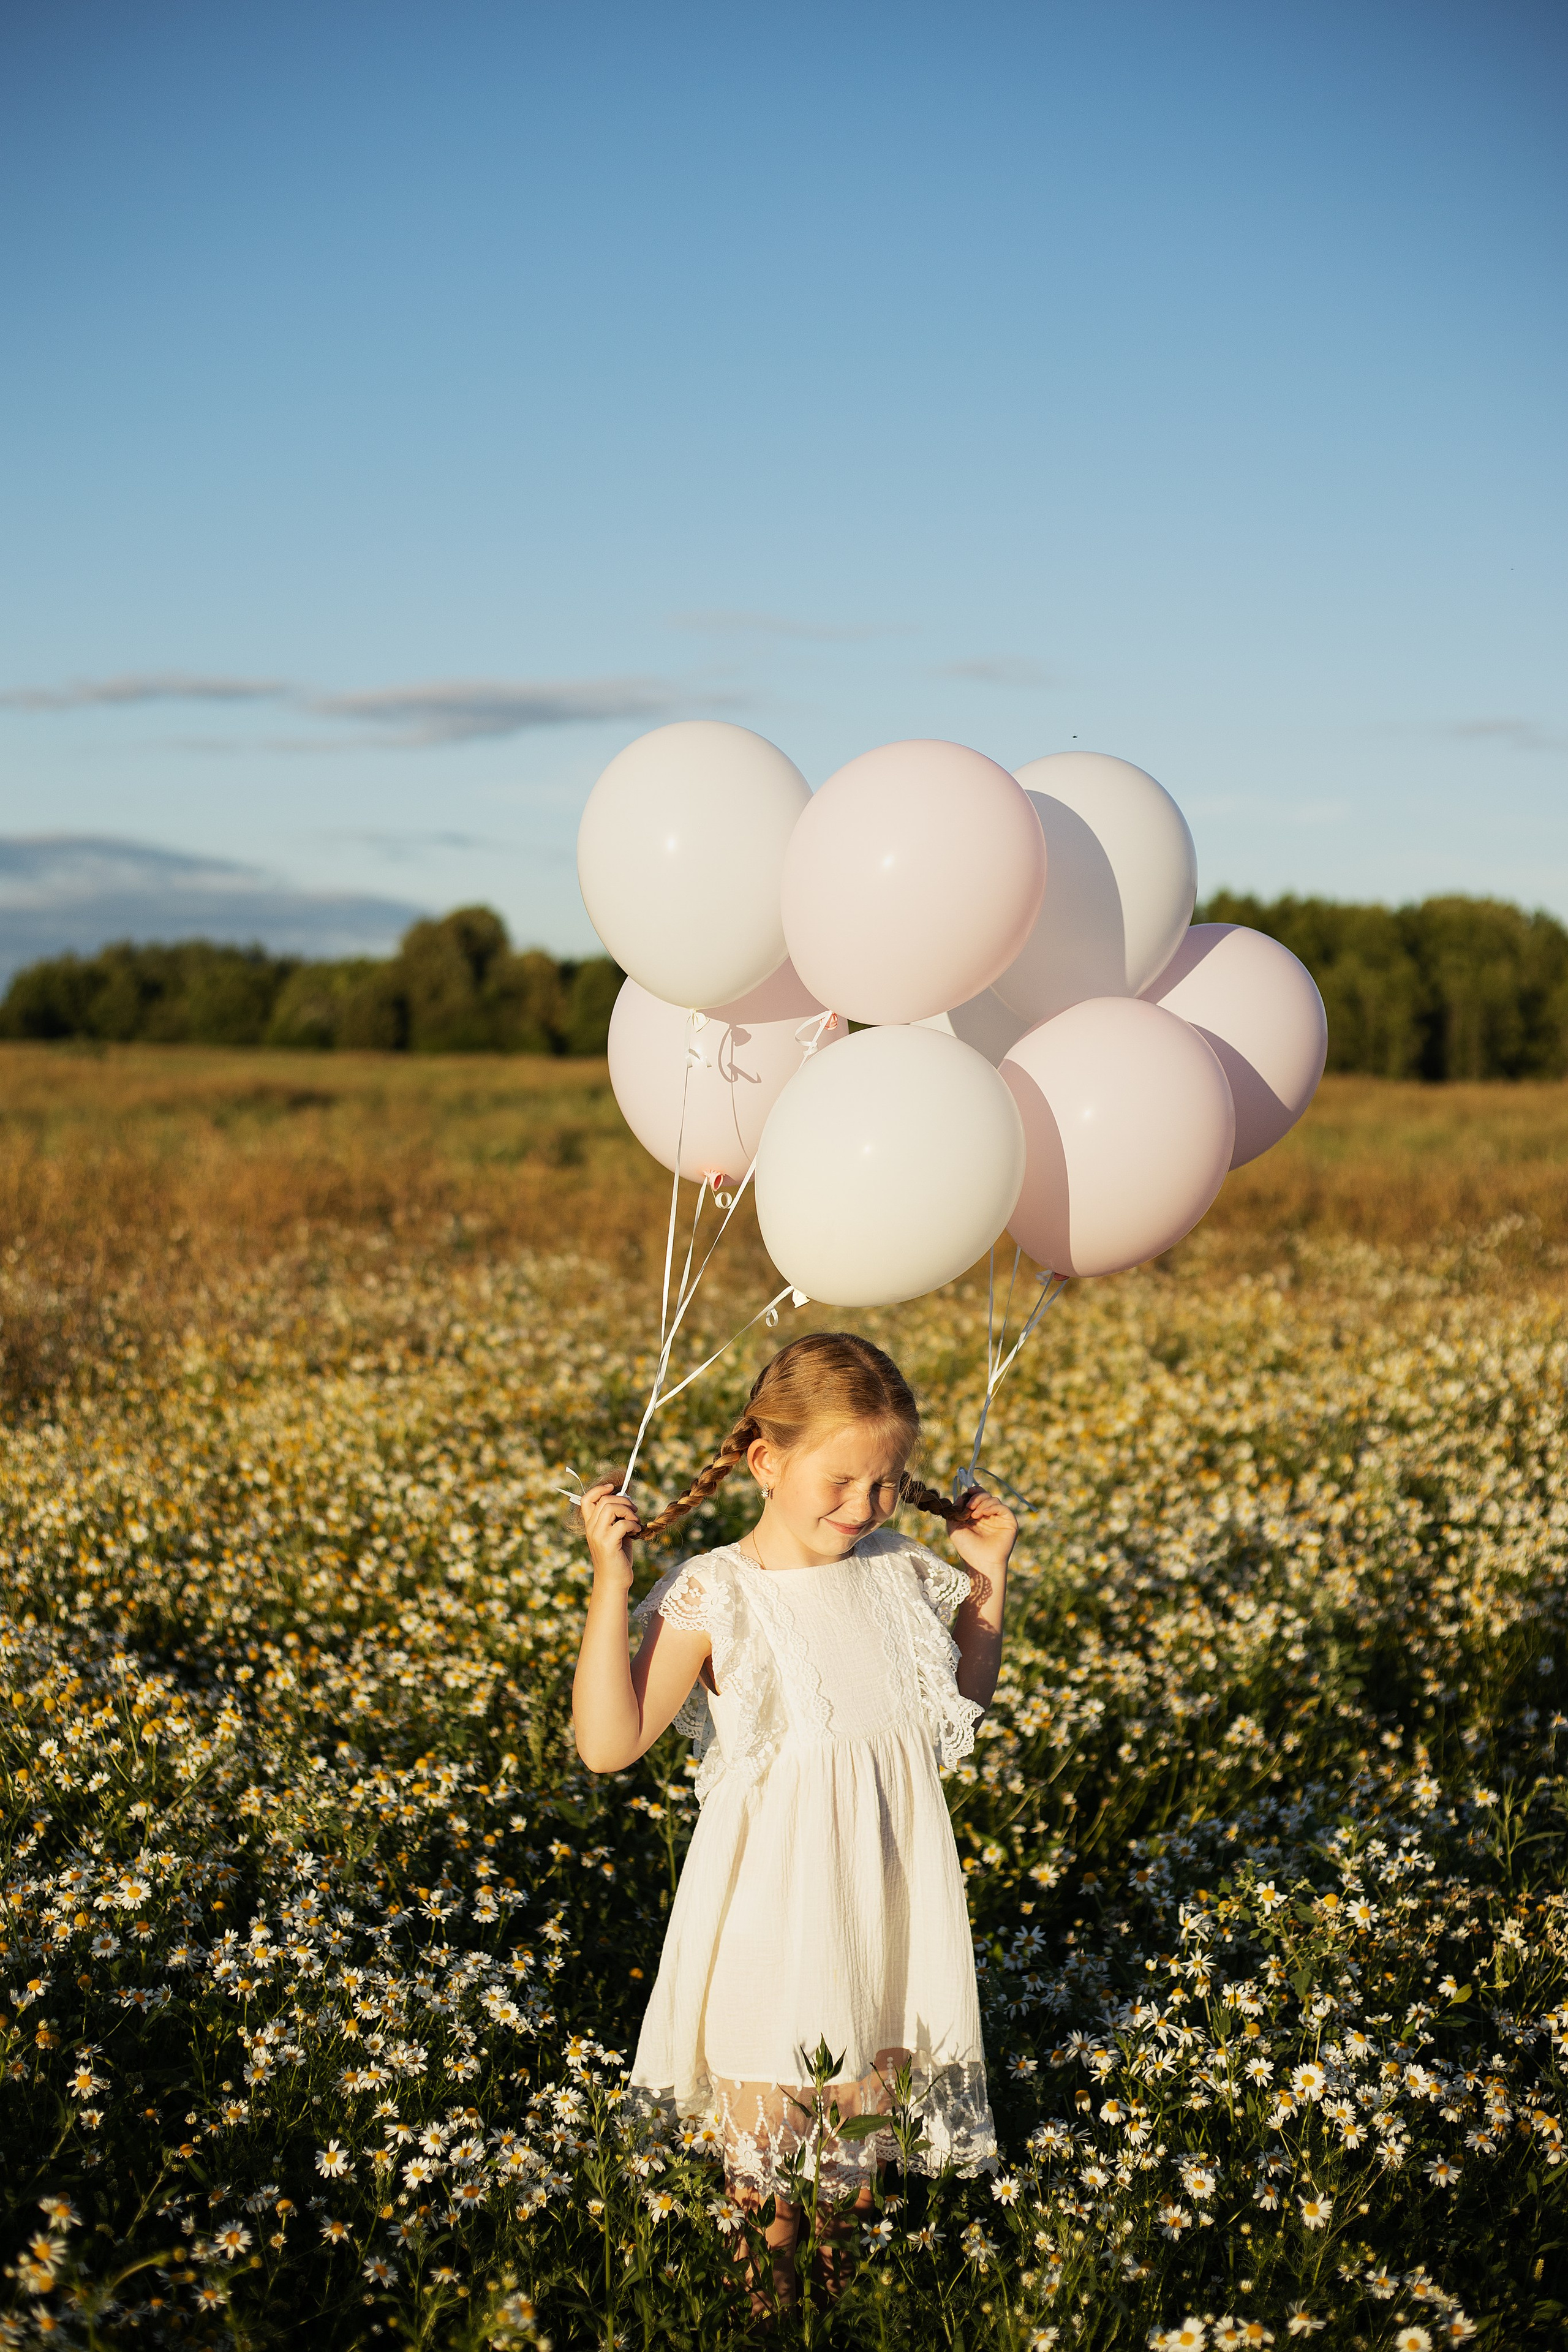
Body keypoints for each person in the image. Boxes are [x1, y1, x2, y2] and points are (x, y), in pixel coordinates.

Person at [571, 1330, 1017, 2307]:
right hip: (776, 1921)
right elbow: (610, 1744)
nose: (865, 1507)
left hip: (885, 1908)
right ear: (767, 1462)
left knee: (853, 2180)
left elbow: (954, 1718)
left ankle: (838, 2313)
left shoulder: (898, 1569)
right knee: (767, 2179)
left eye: (888, 1485)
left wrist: (989, 1576)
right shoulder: (718, 1591)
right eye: (842, 1482)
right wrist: (613, 1586)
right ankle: (758, 2320)